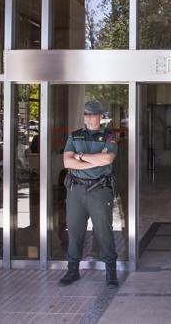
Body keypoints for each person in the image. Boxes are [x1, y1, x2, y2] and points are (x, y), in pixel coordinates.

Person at [58, 100, 119, 288]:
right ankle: (73, 270)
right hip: (76, 190)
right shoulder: (74, 136)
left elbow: (108, 158)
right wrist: (96, 162)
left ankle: (110, 272)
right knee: (75, 231)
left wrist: (81, 157)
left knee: (103, 232)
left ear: (100, 116)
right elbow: (67, 163)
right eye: (86, 114)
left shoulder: (109, 136)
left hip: (100, 190)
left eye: (92, 114)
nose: (89, 118)